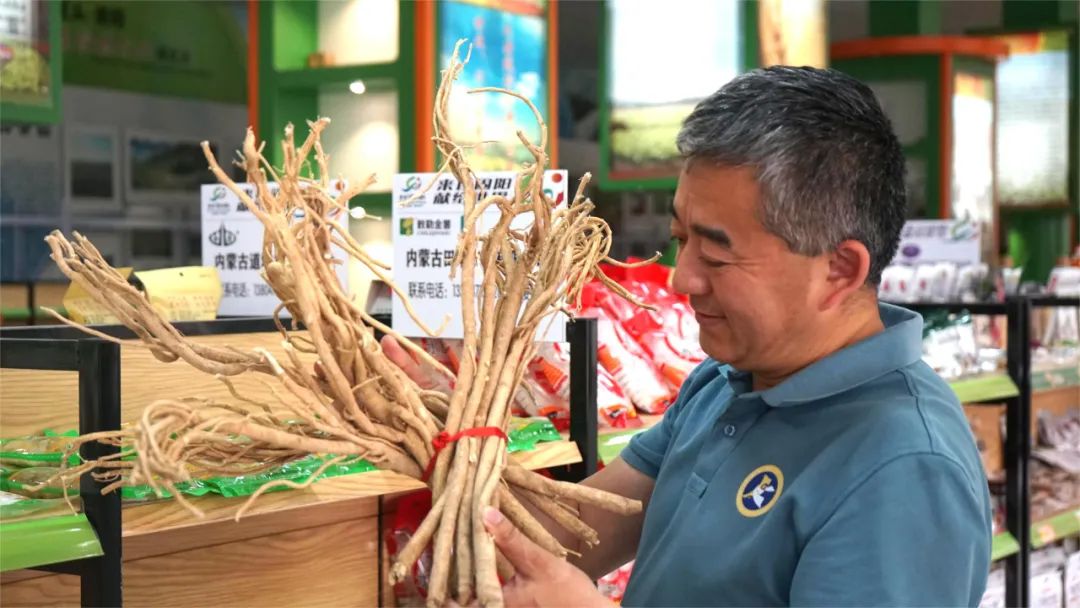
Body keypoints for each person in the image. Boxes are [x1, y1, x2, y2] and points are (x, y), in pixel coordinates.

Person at [384, 66, 992, 607]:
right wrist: (435, 459)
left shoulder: (907, 469)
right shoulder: (726, 381)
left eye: (718, 255)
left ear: (840, 269)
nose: (682, 278)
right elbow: (578, 530)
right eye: (681, 239)